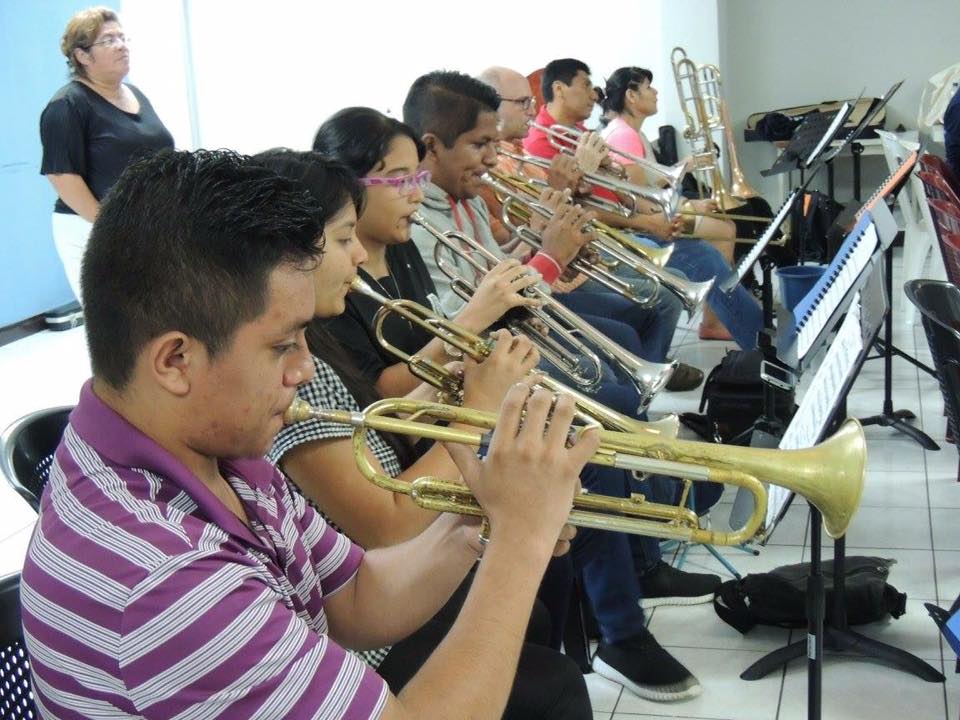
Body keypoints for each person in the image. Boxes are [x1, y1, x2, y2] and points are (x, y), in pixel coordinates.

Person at [19, 148, 595, 719]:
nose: (305, 368)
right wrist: (521, 539)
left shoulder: (211, 451)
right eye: (281, 346)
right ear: (175, 361)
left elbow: (355, 597)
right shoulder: (167, 585)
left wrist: (481, 524)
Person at [396, 75, 720, 700]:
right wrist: (545, 256)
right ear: (431, 147)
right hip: (479, 370)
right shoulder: (417, 222)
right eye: (481, 145)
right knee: (593, 420)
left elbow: (494, 272)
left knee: (621, 361)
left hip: (509, 339)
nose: (493, 158)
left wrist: (547, 243)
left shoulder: (462, 197)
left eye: (497, 141)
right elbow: (463, 323)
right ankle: (618, 630)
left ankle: (639, 560)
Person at [254, 149, 589, 717]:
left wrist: (452, 390)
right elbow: (385, 525)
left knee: (543, 597)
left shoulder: (312, 345)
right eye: (343, 238)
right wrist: (476, 407)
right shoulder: (298, 371)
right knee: (555, 680)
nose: (360, 254)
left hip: (367, 585)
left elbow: (376, 426)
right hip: (369, 625)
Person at [475, 65, 703, 391]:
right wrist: (569, 185)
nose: (532, 111)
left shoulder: (525, 152)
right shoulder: (505, 160)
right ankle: (642, 376)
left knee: (669, 287)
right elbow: (524, 229)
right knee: (663, 298)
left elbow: (563, 213)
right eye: (523, 103)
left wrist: (601, 176)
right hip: (548, 281)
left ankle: (646, 371)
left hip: (569, 263)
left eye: (532, 102)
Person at [525, 58, 763, 351]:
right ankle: (756, 341)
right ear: (559, 89)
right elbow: (574, 209)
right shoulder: (542, 143)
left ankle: (748, 333)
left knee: (710, 246)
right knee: (704, 256)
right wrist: (647, 220)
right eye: (586, 85)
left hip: (625, 222)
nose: (594, 94)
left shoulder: (578, 132)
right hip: (597, 240)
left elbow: (619, 191)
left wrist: (611, 173)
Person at [39, 6, 173, 301]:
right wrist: (110, 226)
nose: (122, 46)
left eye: (123, 38)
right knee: (118, 319)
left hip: (147, 226)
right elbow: (61, 175)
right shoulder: (67, 105)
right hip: (93, 229)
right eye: (109, 40)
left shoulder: (136, 94)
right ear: (82, 56)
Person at [600, 65, 739, 341]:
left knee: (723, 224)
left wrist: (684, 167)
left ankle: (721, 310)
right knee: (725, 231)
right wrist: (690, 207)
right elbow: (639, 200)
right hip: (642, 222)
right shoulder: (625, 135)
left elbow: (649, 183)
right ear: (631, 96)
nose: (655, 92)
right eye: (648, 87)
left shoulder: (630, 132)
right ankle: (713, 321)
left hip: (654, 210)